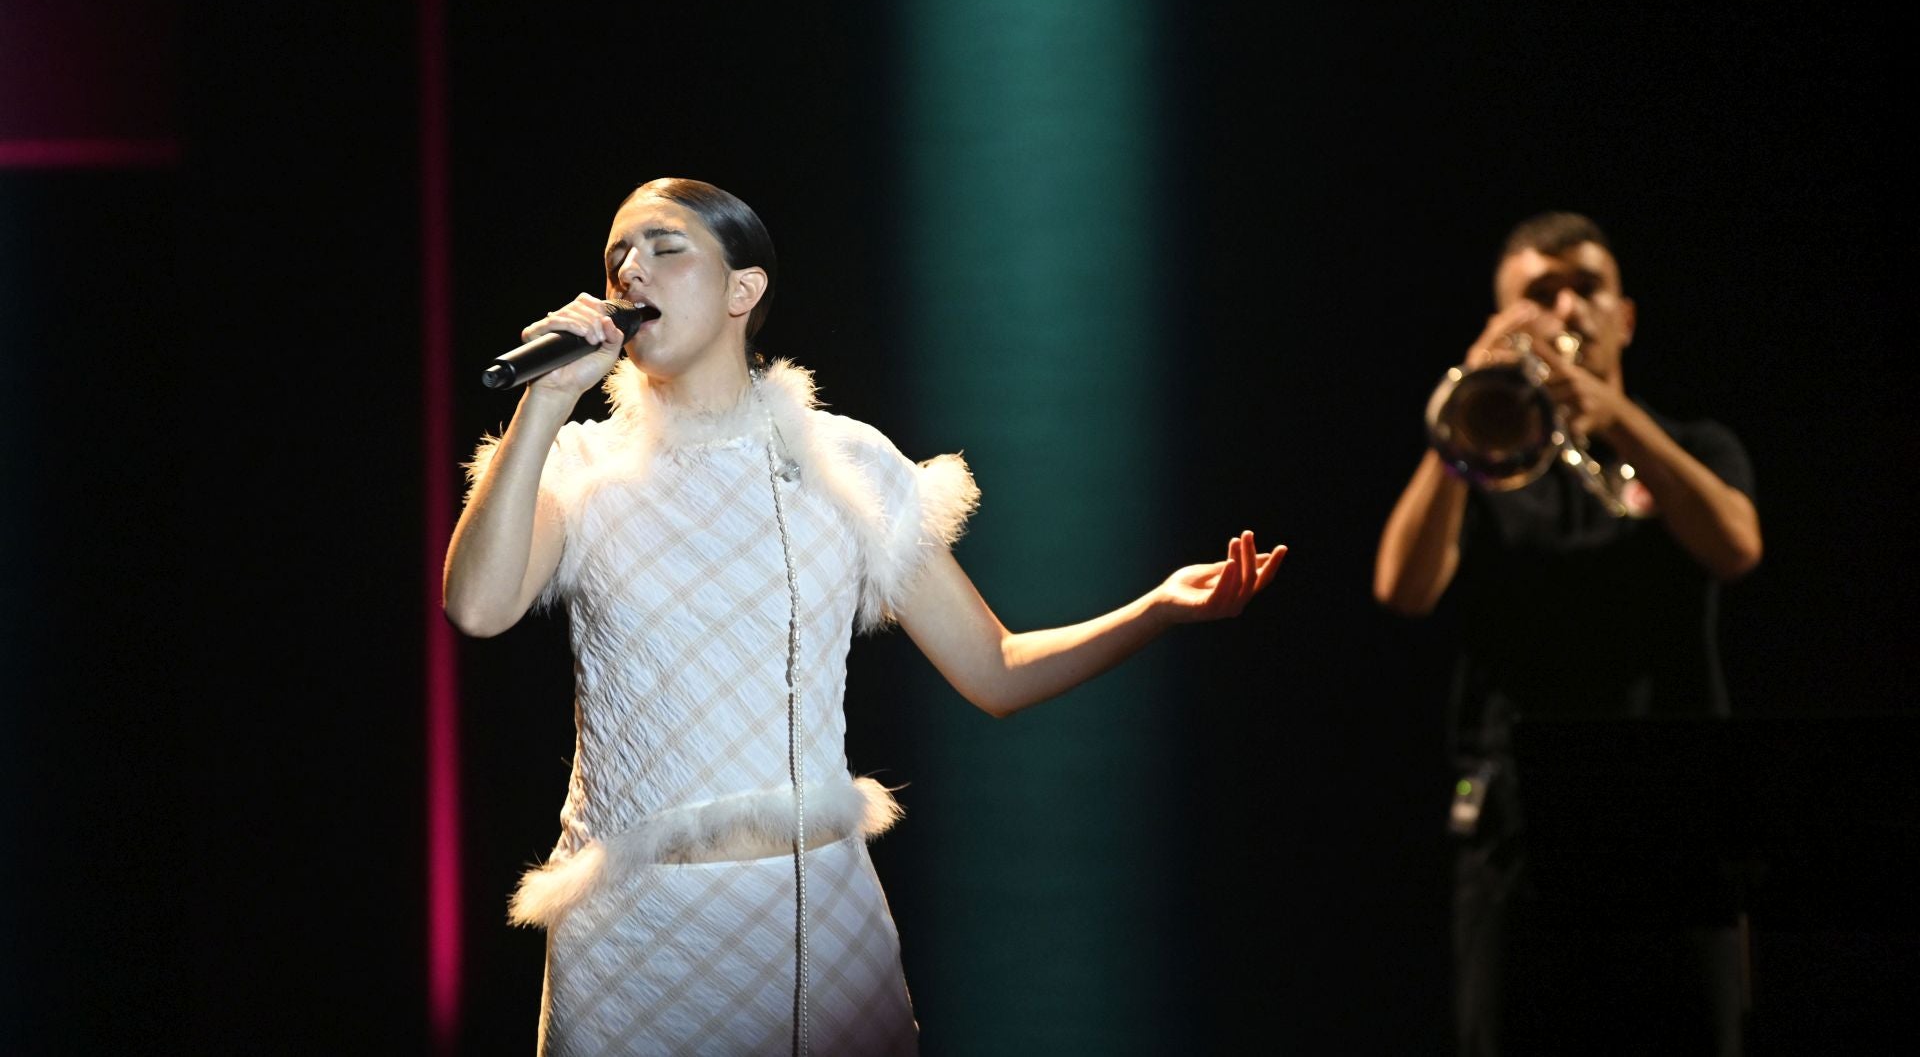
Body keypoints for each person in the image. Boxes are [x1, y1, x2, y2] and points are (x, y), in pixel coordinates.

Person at [443, 178, 1284, 1057]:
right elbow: (476, 606)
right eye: (617, 251)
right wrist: (543, 402)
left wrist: (1154, 610)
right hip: (637, 944)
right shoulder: (577, 462)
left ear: (744, 290)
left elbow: (994, 667)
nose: (630, 268)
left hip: (818, 928)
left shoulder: (844, 462)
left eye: (664, 246)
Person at [1373, 212, 1762, 1056]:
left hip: (1675, 828)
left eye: (1585, 286)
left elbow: (1736, 547)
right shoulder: (1487, 468)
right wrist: (1463, 410)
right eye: (1537, 295)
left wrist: (1613, 415)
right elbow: (1402, 587)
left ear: (1623, 315)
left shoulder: (1694, 447)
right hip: (1519, 830)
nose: (1564, 309)